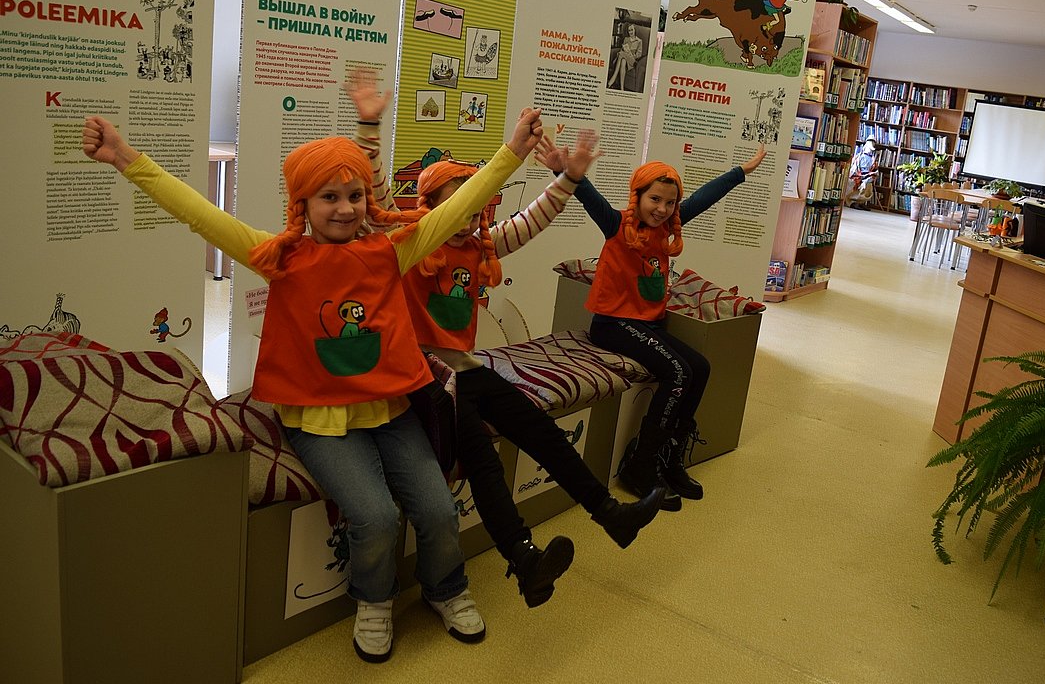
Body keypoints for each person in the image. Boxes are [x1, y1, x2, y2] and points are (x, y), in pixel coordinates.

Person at [81, 98, 543, 665]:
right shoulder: (281, 257)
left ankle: (445, 588)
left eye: (355, 195)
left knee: (439, 508)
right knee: (375, 516)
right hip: (318, 420)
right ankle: (374, 600)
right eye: (329, 197)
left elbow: (459, 207)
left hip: (390, 409)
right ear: (302, 204)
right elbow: (201, 214)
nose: (345, 209)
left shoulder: (391, 251)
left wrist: (512, 152)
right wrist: (125, 158)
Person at [391, 129, 665, 609]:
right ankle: (524, 558)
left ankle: (609, 514)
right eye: (455, 208)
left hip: (465, 369)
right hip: (424, 379)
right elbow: (376, 210)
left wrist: (568, 178)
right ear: (428, 206)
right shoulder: (410, 245)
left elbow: (530, 220)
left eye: (473, 210)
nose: (466, 220)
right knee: (481, 455)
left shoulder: (479, 245)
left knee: (538, 428)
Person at [537, 133, 766, 510]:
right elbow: (589, 197)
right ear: (638, 196)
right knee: (678, 371)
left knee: (700, 367)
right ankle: (641, 465)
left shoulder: (667, 228)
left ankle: (669, 458)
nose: (662, 209)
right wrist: (568, 172)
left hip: (648, 325)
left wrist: (742, 171)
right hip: (612, 324)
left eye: (669, 202)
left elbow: (704, 197)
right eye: (654, 199)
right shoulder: (616, 225)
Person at [607, 23, 643, 91]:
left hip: (632, 61)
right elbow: (622, 49)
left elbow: (639, 54)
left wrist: (631, 55)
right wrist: (623, 52)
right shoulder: (626, 39)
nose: (630, 32)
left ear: (635, 30)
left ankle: (613, 78)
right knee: (623, 60)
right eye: (629, 30)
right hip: (625, 59)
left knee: (621, 55)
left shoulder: (639, 41)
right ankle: (622, 88)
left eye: (632, 30)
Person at [845, 137, 878, 209]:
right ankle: (853, 202)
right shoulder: (861, 156)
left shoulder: (872, 158)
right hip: (858, 176)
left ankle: (860, 202)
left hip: (866, 176)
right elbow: (860, 170)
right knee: (863, 184)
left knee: (868, 184)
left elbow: (873, 169)